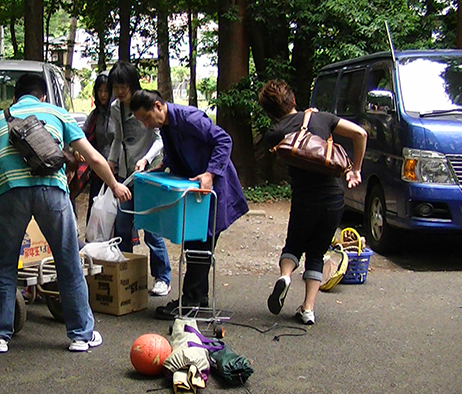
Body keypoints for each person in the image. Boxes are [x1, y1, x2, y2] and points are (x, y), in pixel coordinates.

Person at [0, 73, 131, 353]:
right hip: (51, 191)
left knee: (3, 265)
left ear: (15, 98)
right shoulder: (57, 113)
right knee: (67, 261)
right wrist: (114, 185)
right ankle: (81, 335)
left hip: (11, 193)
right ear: (43, 96)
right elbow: (92, 157)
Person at [129, 89, 249, 320]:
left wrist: (211, 172)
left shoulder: (189, 117)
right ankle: (197, 298)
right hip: (194, 190)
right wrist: (163, 165)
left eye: (146, 118)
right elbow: (177, 152)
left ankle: (191, 301)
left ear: (157, 106)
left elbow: (224, 140)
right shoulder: (165, 126)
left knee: (201, 243)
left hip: (213, 188)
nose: (145, 125)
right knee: (195, 241)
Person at [258, 79, 367, 325]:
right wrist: (356, 170)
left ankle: (285, 276)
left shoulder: (273, 134)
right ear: (293, 99)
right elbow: (361, 133)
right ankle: (308, 309)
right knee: (317, 252)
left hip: (304, 198)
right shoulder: (322, 118)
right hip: (333, 198)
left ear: (269, 111)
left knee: (293, 245)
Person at [106, 61, 173, 297]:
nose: (119, 91)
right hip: (126, 174)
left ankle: (162, 277)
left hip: (148, 175)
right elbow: (117, 139)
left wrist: (146, 159)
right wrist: (111, 161)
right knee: (122, 226)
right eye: (115, 87)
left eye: (123, 86)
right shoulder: (116, 108)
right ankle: (127, 275)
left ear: (132, 84)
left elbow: (160, 139)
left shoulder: (146, 104)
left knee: (151, 228)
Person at [80, 73, 116, 222]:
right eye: (99, 91)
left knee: (117, 216)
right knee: (96, 212)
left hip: (118, 171)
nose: (103, 95)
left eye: (106, 91)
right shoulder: (95, 115)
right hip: (98, 171)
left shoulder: (119, 114)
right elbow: (82, 135)